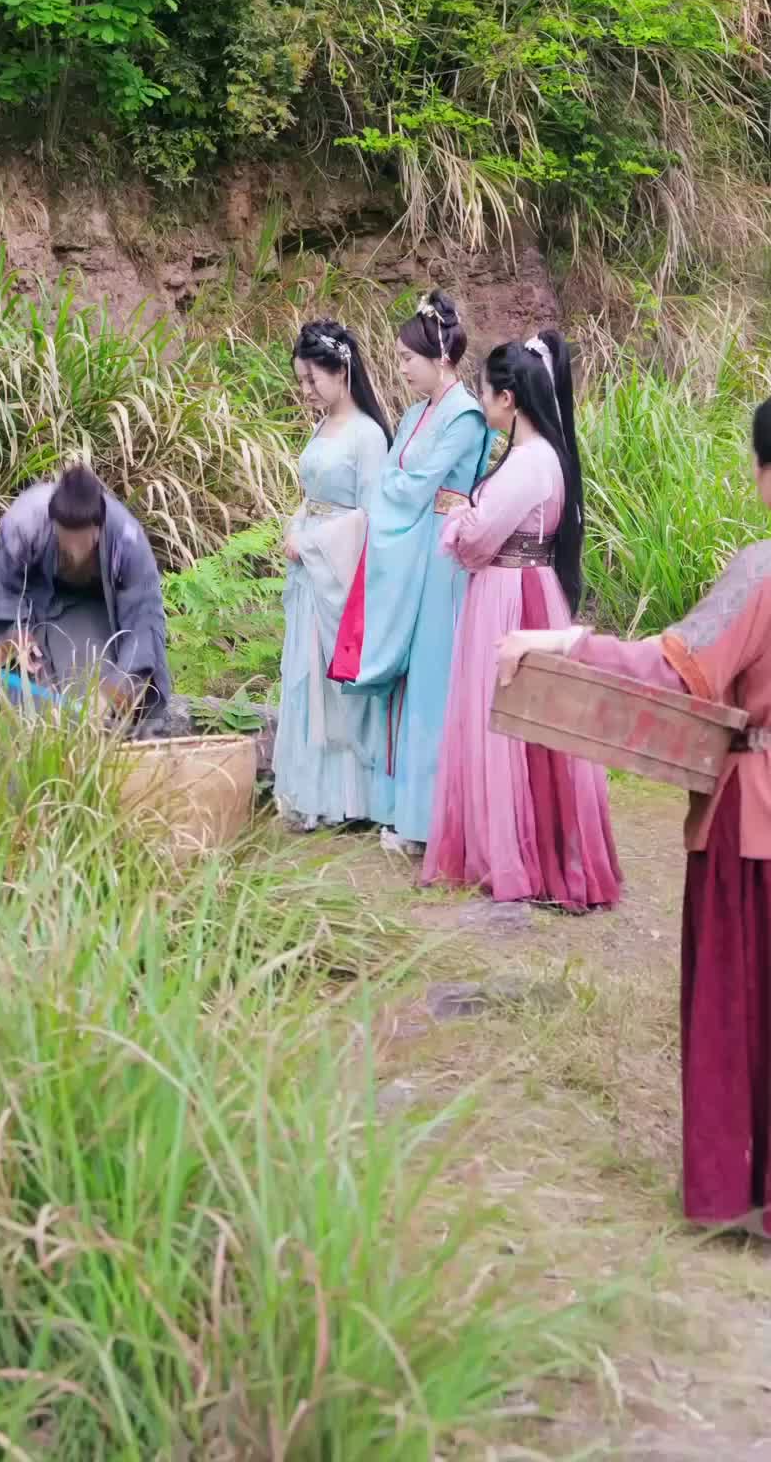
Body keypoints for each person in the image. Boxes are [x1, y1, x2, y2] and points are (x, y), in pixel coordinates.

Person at [496, 395, 771, 1236]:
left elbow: (674, 668)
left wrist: (565, 642)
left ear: (765, 474)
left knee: (743, 1007)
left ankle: (741, 1189)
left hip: (756, 826)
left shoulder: (762, 571)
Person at [423, 332, 621, 909]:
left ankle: (511, 852)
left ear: (508, 399)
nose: (483, 403)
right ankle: (528, 846)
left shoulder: (529, 462)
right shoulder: (546, 458)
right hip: (530, 587)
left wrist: (459, 518)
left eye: (486, 394)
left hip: (508, 594)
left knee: (504, 721)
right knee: (530, 726)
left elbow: (479, 538)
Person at [329, 292, 492, 851]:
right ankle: (400, 809)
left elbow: (416, 484)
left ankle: (432, 820)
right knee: (404, 680)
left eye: (406, 358)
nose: (399, 369)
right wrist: (393, 489)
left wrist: (391, 488)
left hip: (442, 553)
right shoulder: (414, 414)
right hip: (408, 545)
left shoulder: (466, 416)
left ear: (440, 357)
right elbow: (398, 480)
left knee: (431, 680)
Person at [273, 319, 392, 832]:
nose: (305, 390)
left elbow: (370, 516)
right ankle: (312, 792)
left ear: (341, 371)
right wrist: (297, 526)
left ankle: (353, 797)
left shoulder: (368, 435)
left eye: (311, 379)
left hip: (338, 571)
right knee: (307, 675)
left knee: (337, 683)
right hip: (310, 566)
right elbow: (314, 496)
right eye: (301, 380)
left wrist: (313, 543)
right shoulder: (323, 427)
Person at [0, 464, 170, 726]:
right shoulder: (24, 523)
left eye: (82, 542)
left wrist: (117, 688)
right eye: (67, 540)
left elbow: (144, 620)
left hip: (92, 613)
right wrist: (13, 634)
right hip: (30, 609)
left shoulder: (127, 540)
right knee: (29, 705)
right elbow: (2, 590)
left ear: (98, 529)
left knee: (87, 702)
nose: (75, 553)